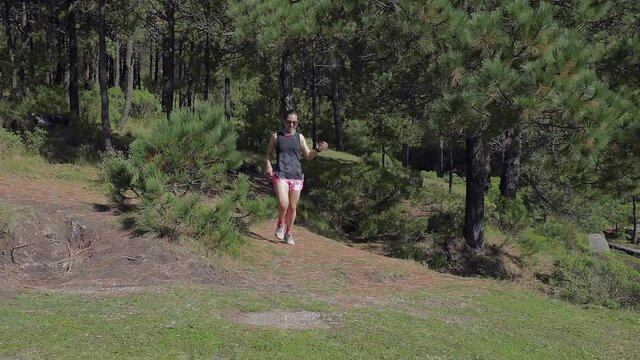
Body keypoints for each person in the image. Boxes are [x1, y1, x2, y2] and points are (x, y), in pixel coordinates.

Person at [265, 110, 329, 245]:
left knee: (292, 208)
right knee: (284, 203)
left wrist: (317, 150)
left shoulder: (299, 137)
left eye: (294, 122)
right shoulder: (276, 136)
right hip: (281, 173)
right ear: (284, 121)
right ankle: (281, 223)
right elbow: (268, 154)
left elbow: (308, 156)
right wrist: (268, 165)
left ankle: (289, 233)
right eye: (289, 122)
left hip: (296, 176)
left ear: (297, 123)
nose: (291, 125)